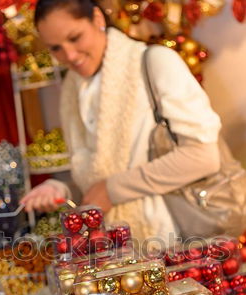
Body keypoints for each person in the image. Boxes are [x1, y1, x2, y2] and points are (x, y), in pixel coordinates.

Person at [20, 0, 222, 244]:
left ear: (97, 19)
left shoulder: (154, 62)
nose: (69, 56)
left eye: (75, 38)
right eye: (56, 48)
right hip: (117, 250)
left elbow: (203, 157)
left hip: (177, 243)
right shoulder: (72, 91)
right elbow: (99, 175)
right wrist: (61, 188)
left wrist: (112, 189)